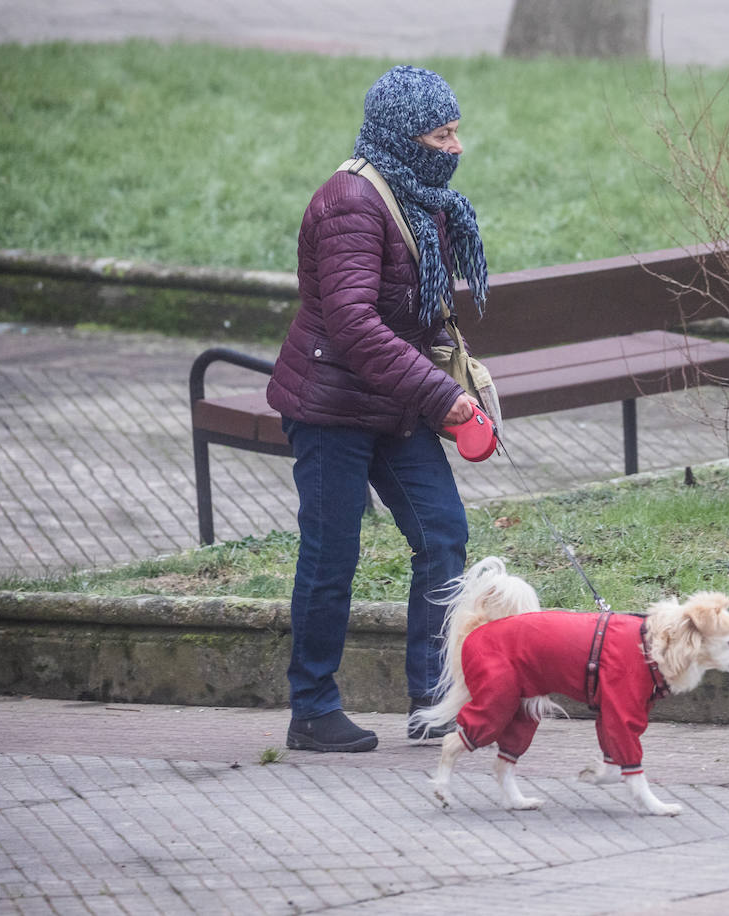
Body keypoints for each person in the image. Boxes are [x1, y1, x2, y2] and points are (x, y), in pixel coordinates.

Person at [266, 65, 489, 752]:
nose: (454, 147)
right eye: (440, 134)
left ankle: (430, 700)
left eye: (456, 131)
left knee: (443, 533)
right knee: (333, 555)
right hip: (331, 403)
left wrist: (456, 385)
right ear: (400, 137)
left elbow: (420, 315)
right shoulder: (350, 204)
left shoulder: (424, 198)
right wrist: (441, 396)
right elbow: (355, 324)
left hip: (392, 402)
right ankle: (312, 709)